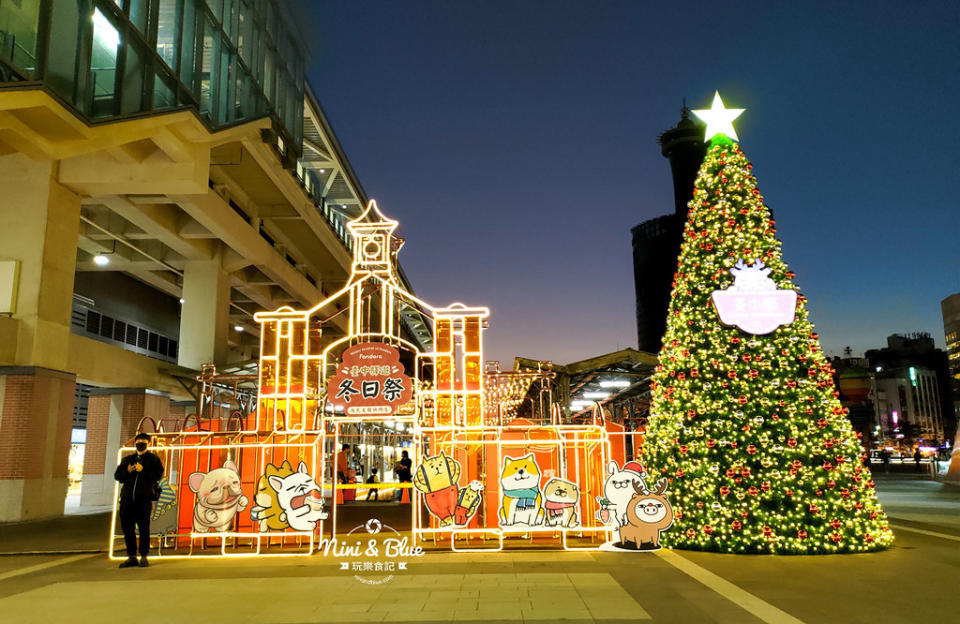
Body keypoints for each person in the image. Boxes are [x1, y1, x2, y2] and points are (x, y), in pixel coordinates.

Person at [113, 432, 163, 568]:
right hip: (127, 499)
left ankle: (144, 556)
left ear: (149, 443)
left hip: (143, 500)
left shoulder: (153, 460)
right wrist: (127, 471)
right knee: (127, 528)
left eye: (143, 441)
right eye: (138, 440)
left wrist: (144, 470)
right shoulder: (128, 459)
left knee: (143, 528)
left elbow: (157, 476)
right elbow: (118, 476)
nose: (140, 443)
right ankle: (131, 556)